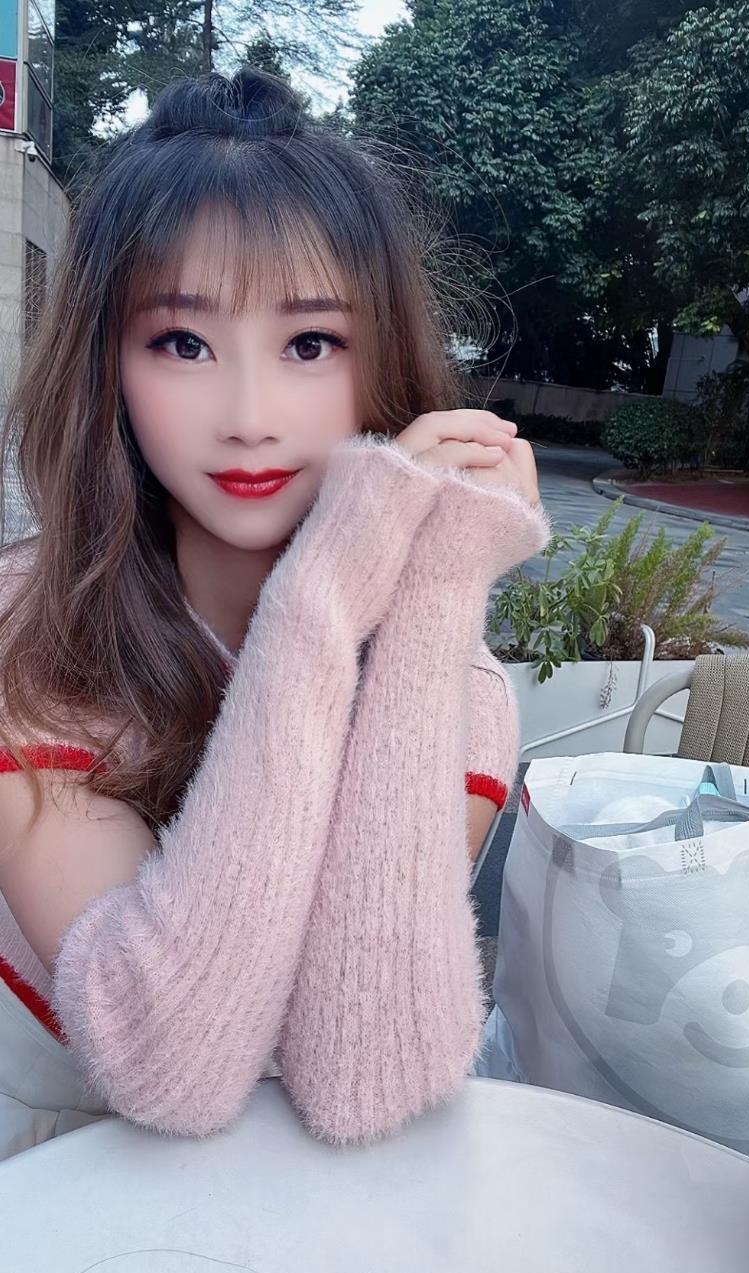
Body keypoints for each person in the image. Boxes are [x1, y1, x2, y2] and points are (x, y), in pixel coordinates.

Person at [0, 66, 550, 1161]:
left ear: (380, 356)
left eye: (309, 344)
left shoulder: (450, 681)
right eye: (182, 343)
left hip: (307, 1212)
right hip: (48, 1183)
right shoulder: (29, 637)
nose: (249, 418)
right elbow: (166, 1054)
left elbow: (361, 1072)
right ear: (106, 365)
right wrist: (325, 598)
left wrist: (426, 593)